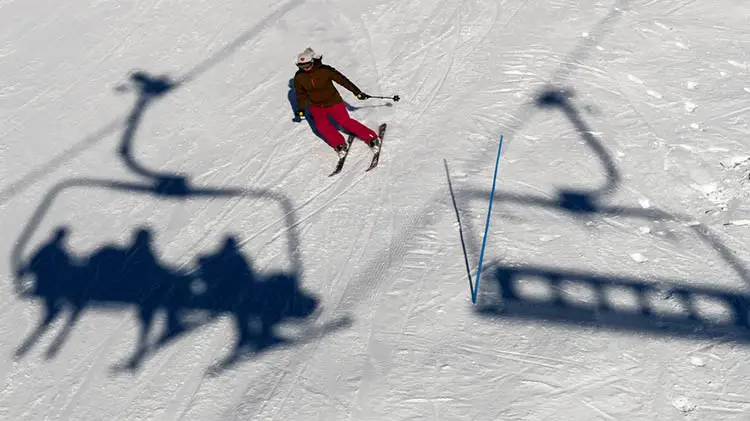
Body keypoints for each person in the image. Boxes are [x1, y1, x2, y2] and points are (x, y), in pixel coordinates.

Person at [293, 47, 380, 158]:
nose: (305, 68)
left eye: (307, 65)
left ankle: (372, 137)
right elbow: (300, 94)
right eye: (301, 66)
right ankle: (339, 144)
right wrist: (301, 109)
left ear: (312, 61)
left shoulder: (325, 70)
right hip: (316, 105)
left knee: (344, 122)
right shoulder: (299, 77)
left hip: (333, 102)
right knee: (322, 127)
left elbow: (343, 80)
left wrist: (357, 92)